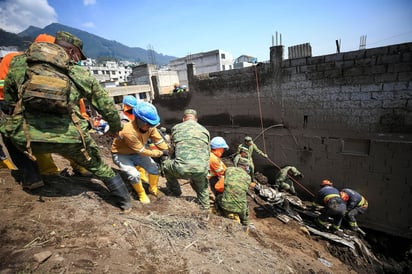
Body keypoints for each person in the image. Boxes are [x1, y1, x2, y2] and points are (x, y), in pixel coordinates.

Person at [1, 30, 131, 212]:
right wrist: (115, 128)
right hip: (70, 139)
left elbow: (9, 101)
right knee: (100, 167)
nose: (79, 60)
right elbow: (106, 106)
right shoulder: (78, 73)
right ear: (71, 51)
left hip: (27, 138)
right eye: (79, 55)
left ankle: (32, 177)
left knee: (6, 133)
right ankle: (125, 202)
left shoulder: (17, 63)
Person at [111, 101, 168, 204]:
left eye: (152, 124)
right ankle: (141, 193)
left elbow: (158, 140)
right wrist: (158, 153)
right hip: (121, 154)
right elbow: (142, 151)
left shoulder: (150, 127)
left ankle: (153, 189)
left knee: (154, 168)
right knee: (134, 174)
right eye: (148, 124)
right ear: (140, 120)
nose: (150, 127)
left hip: (136, 152)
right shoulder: (128, 131)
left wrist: (165, 149)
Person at [162, 109, 210, 212]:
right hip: (201, 169)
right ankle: (206, 210)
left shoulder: (176, 128)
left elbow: (171, 150)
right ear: (196, 119)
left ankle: (176, 192)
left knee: (165, 166)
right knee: (203, 187)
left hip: (181, 169)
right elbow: (207, 153)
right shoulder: (205, 130)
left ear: (183, 119)